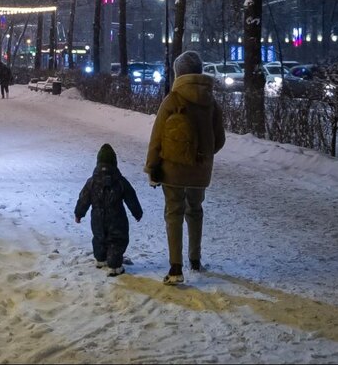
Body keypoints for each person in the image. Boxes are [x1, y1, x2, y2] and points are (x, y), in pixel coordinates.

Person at [144, 50, 226, 286]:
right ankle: (195, 259)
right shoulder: (211, 102)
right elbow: (219, 140)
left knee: (173, 213)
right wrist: (202, 157)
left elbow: (157, 138)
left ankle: (175, 267)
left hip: (172, 169)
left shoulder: (173, 99)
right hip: (200, 171)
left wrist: (152, 168)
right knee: (195, 210)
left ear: (178, 73)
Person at [74, 143, 142, 277]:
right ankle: (115, 266)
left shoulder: (92, 182)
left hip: (97, 217)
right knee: (117, 239)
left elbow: (84, 198)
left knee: (99, 237)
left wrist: (79, 213)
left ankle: (100, 259)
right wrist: (137, 213)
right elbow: (131, 197)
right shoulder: (120, 181)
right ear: (114, 162)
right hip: (116, 217)